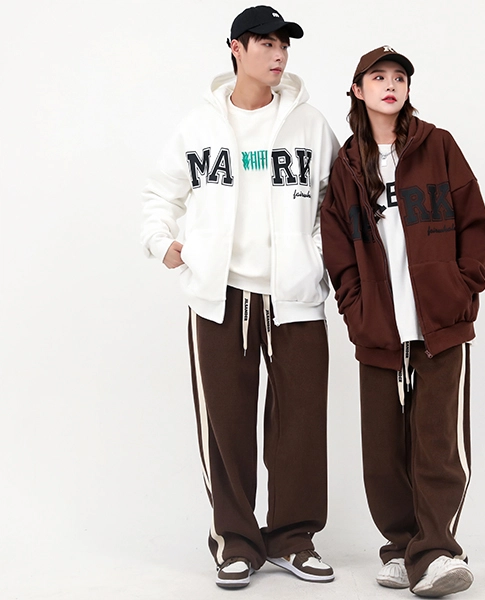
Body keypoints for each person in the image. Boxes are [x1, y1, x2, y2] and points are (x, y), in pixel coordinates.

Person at [141, 5, 338, 589]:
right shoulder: (198, 127)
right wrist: (162, 242)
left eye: (284, 45)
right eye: (266, 43)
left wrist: (316, 259)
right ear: (236, 48)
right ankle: (236, 541)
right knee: (225, 425)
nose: (279, 55)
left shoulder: (310, 125)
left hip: (295, 297)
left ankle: (294, 539)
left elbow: (335, 204)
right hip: (219, 296)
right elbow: (161, 193)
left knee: (301, 423)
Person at [321, 46, 485, 597]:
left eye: (399, 77)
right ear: (358, 90)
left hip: (439, 324)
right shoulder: (348, 164)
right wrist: (356, 309)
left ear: (409, 89)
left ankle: (437, 551)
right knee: (383, 453)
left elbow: (474, 222)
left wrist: (463, 289)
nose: (390, 85)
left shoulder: (438, 146)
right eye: (378, 77)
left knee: (437, 444)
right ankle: (400, 547)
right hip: (380, 328)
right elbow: (337, 247)